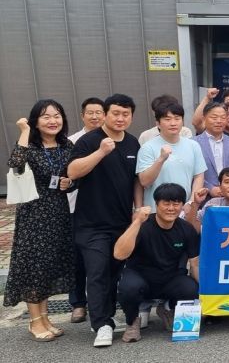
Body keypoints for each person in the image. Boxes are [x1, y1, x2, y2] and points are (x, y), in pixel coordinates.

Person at [67, 93, 143, 347]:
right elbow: (72, 171)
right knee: (97, 271)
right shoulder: (90, 140)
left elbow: (136, 180)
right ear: (105, 115)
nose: (120, 118)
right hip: (91, 224)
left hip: (121, 222)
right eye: (115, 113)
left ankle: (106, 316)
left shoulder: (132, 143)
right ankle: (102, 324)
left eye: (126, 114)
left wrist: (138, 209)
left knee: (114, 271)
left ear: (131, 116)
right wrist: (100, 152)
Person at [4, 100, 75, 342]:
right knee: (34, 266)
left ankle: (45, 318)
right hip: (34, 214)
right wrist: (24, 131)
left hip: (59, 213)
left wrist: (70, 182)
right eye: (46, 117)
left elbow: (74, 175)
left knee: (48, 266)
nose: (53, 121)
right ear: (35, 121)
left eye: (57, 115)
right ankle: (35, 321)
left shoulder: (67, 146)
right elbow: (15, 164)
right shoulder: (31, 146)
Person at [115, 183, 200, 343]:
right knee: (128, 288)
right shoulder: (142, 225)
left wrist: (202, 295)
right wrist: (136, 222)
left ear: (182, 205)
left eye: (176, 203)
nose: (171, 208)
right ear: (156, 204)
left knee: (191, 288)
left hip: (170, 279)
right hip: (140, 278)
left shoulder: (186, 229)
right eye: (166, 203)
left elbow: (194, 264)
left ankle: (168, 309)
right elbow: (119, 254)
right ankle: (132, 321)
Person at [67, 97, 105, 323]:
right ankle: (78, 303)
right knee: (77, 257)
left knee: (102, 259)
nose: (95, 116)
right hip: (75, 208)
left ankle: (103, 301)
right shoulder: (72, 142)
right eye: (90, 112)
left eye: (99, 112)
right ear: (82, 116)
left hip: (104, 209)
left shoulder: (114, 140)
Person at [137, 102, 207, 212]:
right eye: (167, 119)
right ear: (158, 123)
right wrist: (161, 159)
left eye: (177, 118)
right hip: (156, 212)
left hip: (184, 211)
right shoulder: (147, 147)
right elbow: (144, 181)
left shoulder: (193, 145)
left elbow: (199, 176)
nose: (173, 123)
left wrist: (191, 203)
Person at [192, 103, 229, 201]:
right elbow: (191, 172)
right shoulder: (194, 143)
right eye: (214, 117)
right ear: (204, 119)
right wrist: (210, 188)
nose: (219, 121)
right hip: (202, 197)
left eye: (223, 117)